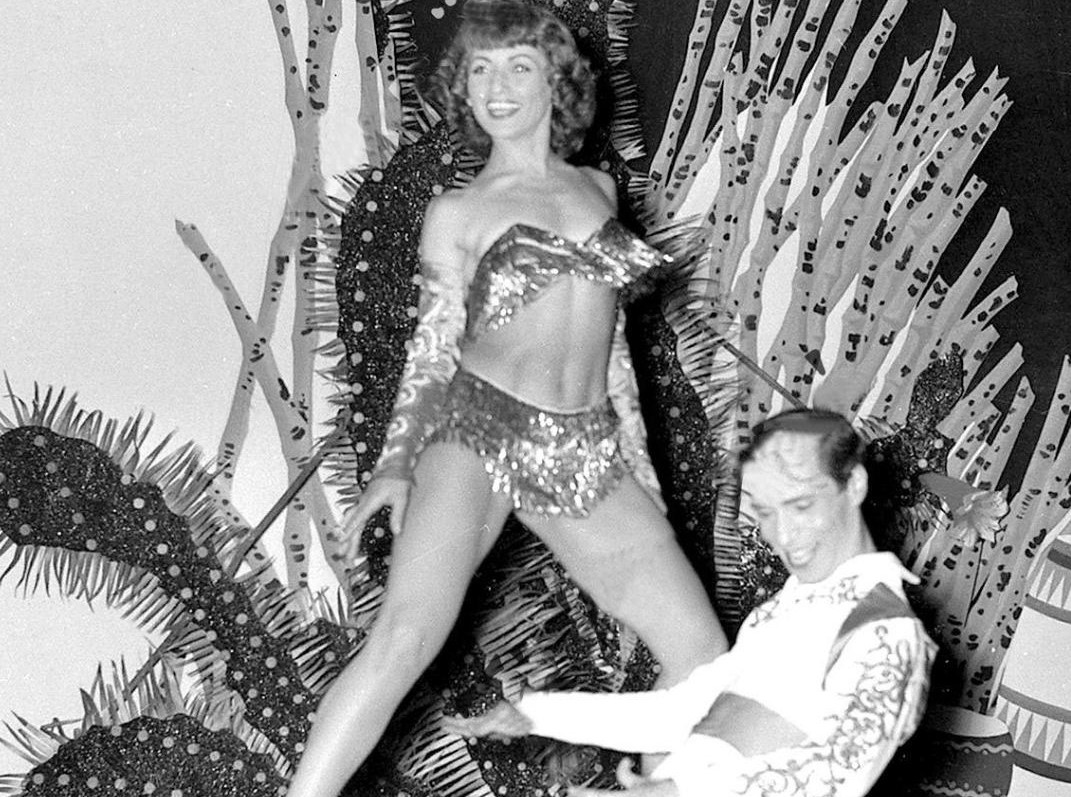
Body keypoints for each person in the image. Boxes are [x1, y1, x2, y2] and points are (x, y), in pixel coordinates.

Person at [285, 2, 728, 794]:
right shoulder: (457, 211)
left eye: (518, 66)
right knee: (404, 637)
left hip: (582, 447)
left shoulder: (598, 188)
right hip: (477, 427)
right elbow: (432, 345)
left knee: (700, 656)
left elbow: (613, 352)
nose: (496, 86)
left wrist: (636, 467)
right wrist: (396, 464)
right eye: (480, 69)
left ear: (556, 80)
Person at [445, 408, 937, 797]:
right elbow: (678, 713)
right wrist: (536, 714)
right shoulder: (784, 611)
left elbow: (839, 771)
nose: (784, 536)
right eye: (765, 513)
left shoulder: (886, 627)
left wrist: (680, 790)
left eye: (801, 506)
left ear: (855, 485)